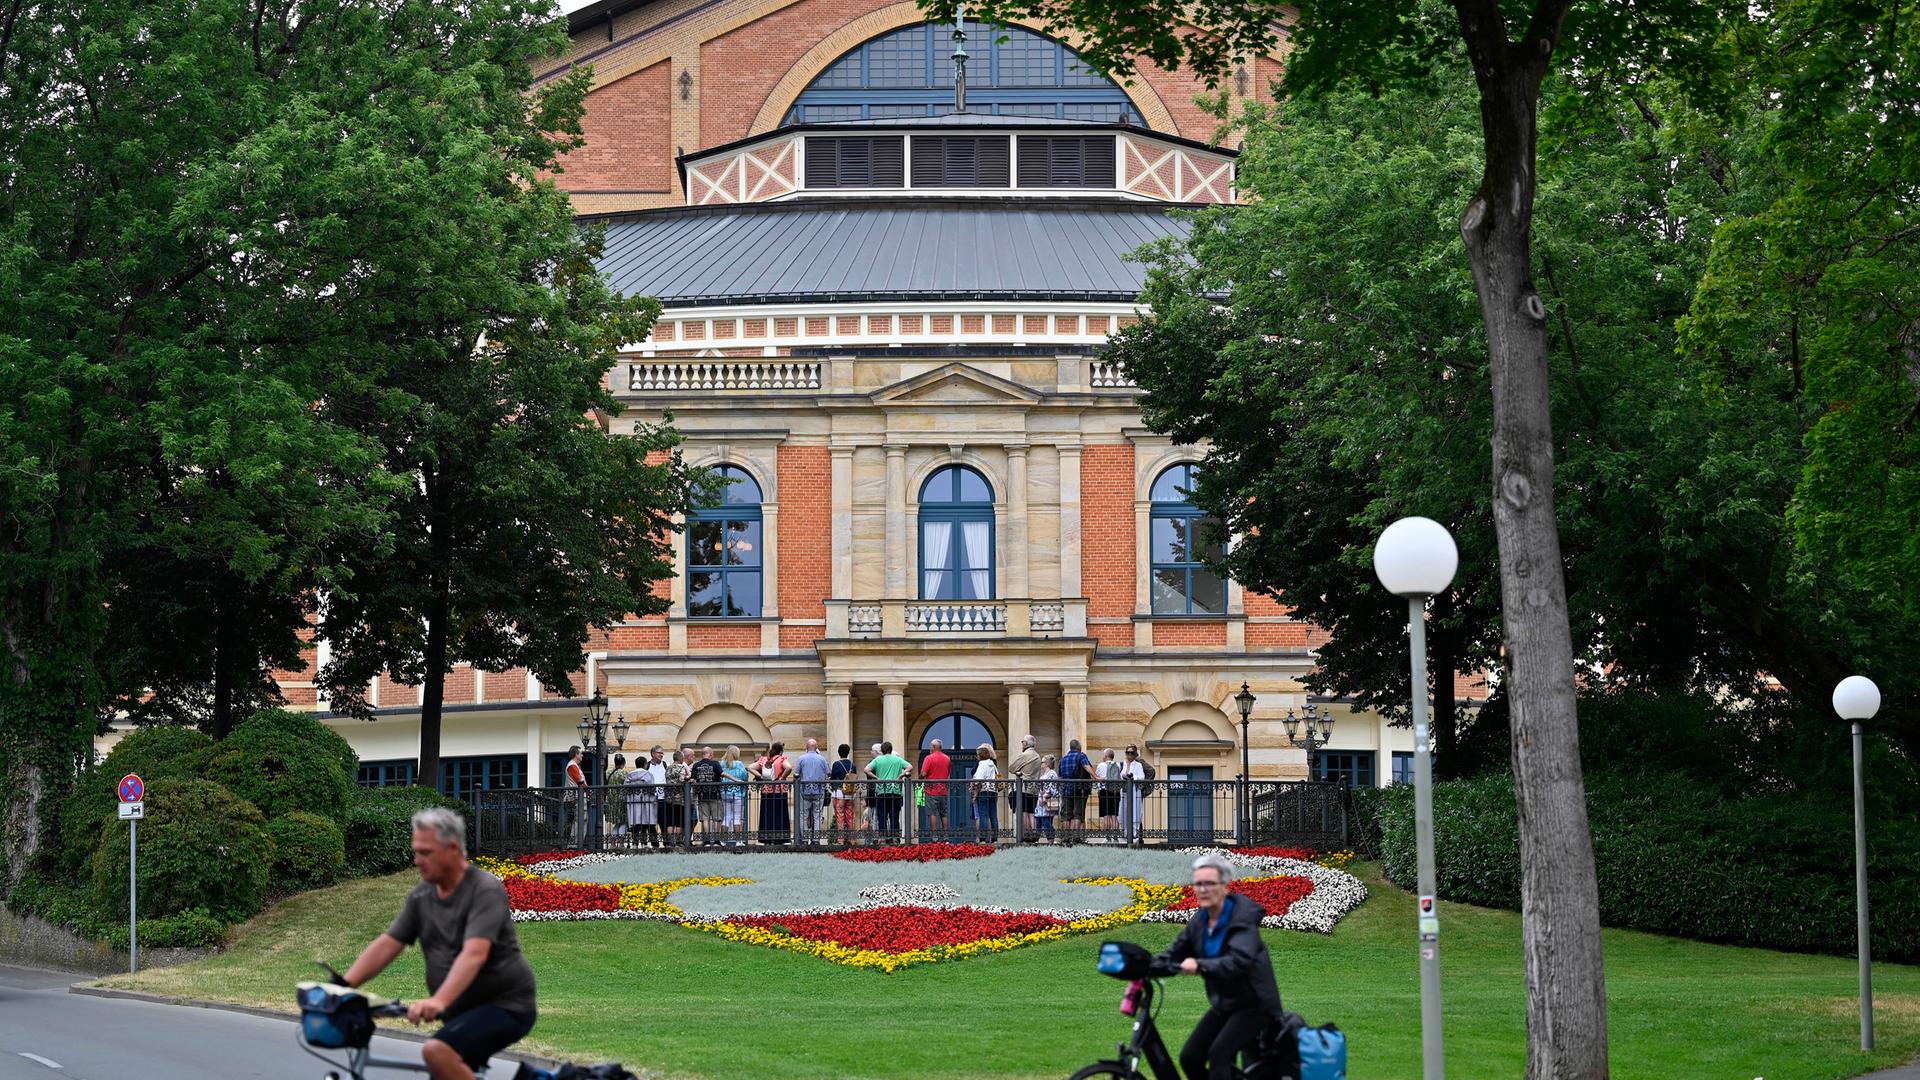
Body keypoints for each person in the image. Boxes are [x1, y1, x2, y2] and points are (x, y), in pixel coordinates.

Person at [342, 808, 537, 1080]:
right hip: (460, 1013)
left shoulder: (483, 890)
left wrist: (438, 1001)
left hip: (506, 1006)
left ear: (453, 849)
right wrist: (342, 987)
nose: (416, 860)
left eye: (426, 852)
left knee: (437, 1052)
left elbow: (475, 953)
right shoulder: (421, 896)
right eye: (416, 851)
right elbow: (389, 943)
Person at [1156, 851, 1286, 1080]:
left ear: (1225, 887)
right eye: (1198, 884)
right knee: (1191, 1057)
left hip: (1255, 1005)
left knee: (1218, 1055)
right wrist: (1145, 965)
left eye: (1209, 883)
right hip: (1225, 1004)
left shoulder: (1242, 919)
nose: (1203, 889)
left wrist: (1200, 966)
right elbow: (1175, 953)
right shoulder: (1200, 921)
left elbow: (1238, 961)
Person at [864, 740, 911, 839]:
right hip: (895, 791)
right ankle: (895, 838)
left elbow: (866, 769)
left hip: (881, 790)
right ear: (891, 749)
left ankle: (883, 837)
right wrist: (902, 774)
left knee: (882, 815)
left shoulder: (878, 760)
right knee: (894, 815)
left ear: (882, 750)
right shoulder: (897, 759)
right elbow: (909, 766)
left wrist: (875, 777)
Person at [793, 738, 831, 845]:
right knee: (817, 815)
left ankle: (804, 840)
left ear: (806, 747)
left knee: (803, 815)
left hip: (804, 790)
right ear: (816, 747)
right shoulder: (822, 759)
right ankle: (816, 840)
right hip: (819, 790)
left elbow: (796, 774)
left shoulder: (801, 758)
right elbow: (829, 773)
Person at [1007, 734, 1044, 841]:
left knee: (1023, 812)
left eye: (1022, 742)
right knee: (1031, 812)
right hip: (1034, 788)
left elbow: (1011, 768)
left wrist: (1019, 771)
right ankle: (1033, 835)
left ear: (1026, 743)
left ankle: (1024, 835)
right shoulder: (1037, 756)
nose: (1022, 744)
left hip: (1023, 787)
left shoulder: (1024, 755)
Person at [626, 747, 664, 848]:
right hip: (646, 802)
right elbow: (652, 789)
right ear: (645, 764)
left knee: (636, 823)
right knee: (647, 823)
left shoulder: (629, 775)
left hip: (634, 802)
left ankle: (635, 844)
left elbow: (626, 789)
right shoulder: (648, 774)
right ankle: (646, 843)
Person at [754, 741, 791, 844]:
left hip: (766, 791)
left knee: (767, 813)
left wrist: (761, 777)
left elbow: (750, 767)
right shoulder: (781, 759)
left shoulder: (764, 759)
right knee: (779, 814)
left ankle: (766, 838)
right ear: (780, 751)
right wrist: (782, 778)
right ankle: (780, 838)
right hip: (779, 790)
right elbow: (789, 767)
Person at [1058, 738, 1093, 843]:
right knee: (1078, 814)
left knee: (1066, 815)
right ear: (1079, 748)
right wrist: (1096, 776)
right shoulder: (1081, 755)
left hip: (1066, 791)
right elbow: (1086, 766)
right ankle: (1076, 837)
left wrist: (1061, 790)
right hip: (1079, 789)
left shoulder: (1063, 759)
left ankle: (1066, 838)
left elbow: (1059, 777)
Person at [690, 746, 725, 847]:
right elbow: (722, 774)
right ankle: (717, 841)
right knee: (716, 819)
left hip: (702, 796)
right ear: (710, 753)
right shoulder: (715, 763)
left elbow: (693, 780)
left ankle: (707, 841)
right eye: (712, 753)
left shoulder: (696, 765)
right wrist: (735, 780)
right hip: (715, 795)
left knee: (705, 819)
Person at [920, 738, 952, 842]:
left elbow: (923, 774)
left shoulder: (929, 758)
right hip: (943, 790)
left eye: (931, 747)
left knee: (932, 813)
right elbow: (948, 773)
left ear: (933, 747)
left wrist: (920, 779)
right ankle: (946, 836)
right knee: (944, 813)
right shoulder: (947, 758)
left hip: (931, 790)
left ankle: (934, 837)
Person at [721, 746, 751, 846]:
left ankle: (723, 841)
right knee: (737, 817)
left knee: (726, 816)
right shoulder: (739, 764)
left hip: (724, 792)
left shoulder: (722, 763)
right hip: (737, 793)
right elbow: (745, 776)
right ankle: (738, 841)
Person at [828, 742, 860, 837]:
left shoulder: (836, 764)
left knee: (840, 816)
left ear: (839, 753)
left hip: (839, 793)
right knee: (850, 817)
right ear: (848, 753)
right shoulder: (852, 765)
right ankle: (852, 839)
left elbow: (833, 779)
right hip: (850, 794)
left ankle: (841, 839)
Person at [970, 745, 999, 843]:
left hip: (984, 792)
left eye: (978, 755)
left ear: (981, 755)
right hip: (993, 791)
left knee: (983, 815)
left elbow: (978, 780)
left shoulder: (982, 764)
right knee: (993, 815)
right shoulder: (993, 764)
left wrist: (974, 790)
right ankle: (994, 837)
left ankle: (983, 837)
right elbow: (998, 776)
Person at [1120, 744, 1148, 844]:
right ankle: (1124, 837)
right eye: (1128, 753)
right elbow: (1120, 776)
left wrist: (1132, 777)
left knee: (1135, 814)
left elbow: (1142, 777)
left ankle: (1135, 838)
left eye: (1132, 753)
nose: (1129, 755)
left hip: (1134, 792)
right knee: (1123, 814)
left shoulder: (1138, 765)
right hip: (1124, 792)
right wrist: (1124, 773)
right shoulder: (1123, 764)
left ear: (1135, 754)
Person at [563, 746, 588, 848]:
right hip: (578, 796)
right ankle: (575, 845)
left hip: (579, 795)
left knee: (582, 819)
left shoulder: (574, 766)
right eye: (580, 753)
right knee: (580, 819)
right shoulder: (572, 766)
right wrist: (589, 791)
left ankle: (577, 843)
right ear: (576, 754)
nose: (582, 755)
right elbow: (580, 781)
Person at [1096, 748, 1122, 838]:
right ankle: (1116, 837)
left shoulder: (1100, 765)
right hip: (1115, 792)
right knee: (1114, 816)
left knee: (1106, 816)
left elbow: (1096, 778)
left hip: (1104, 791)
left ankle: (1107, 837)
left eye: (1103, 755)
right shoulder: (1118, 765)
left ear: (1106, 756)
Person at [1034, 755, 1059, 844]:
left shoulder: (1051, 773)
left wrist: (1045, 796)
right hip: (1040, 802)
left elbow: (1052, 787)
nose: (1041, 764)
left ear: (1047, 764)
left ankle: (1051, 841)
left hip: (1047, 801)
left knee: (1046, 821)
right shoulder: (1044, 774)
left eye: (1042, 762)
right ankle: (1036, 840)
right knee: (1039, 822)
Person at [604, 754, 629, 838]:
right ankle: (621, 843)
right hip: (622, 801)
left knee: (617, 823)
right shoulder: (624, 773)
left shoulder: (608, 772)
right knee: (623, 821)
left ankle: (613, 843)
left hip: (611, 800)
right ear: (624, 763)